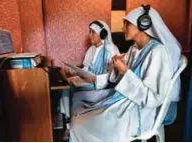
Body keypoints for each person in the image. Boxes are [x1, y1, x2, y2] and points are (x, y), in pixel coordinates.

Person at [70, 5, 181, 142]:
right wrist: (116, 67)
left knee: (80, 124)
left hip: (139, 112)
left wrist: (124, 70)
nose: (123, 28)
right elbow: (118, 78)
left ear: (142, 24)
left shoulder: (158, 52)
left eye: (127, 24)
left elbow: (152, 98)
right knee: (79, 115)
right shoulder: (134, 49)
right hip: (126, 103)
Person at [60, 20, 119, 118]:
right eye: (89, 32)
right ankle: (67, 117)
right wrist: (75, 72)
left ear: (102, 34)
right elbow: (86, 68)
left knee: (72, 90)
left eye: (93, 32)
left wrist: (95, 79)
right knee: (66, 85)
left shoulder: (111, 50)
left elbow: (114, 75)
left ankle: (75, 118)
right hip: (88, 81)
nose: (90, 35)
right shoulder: (91, 50)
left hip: (102, 86)